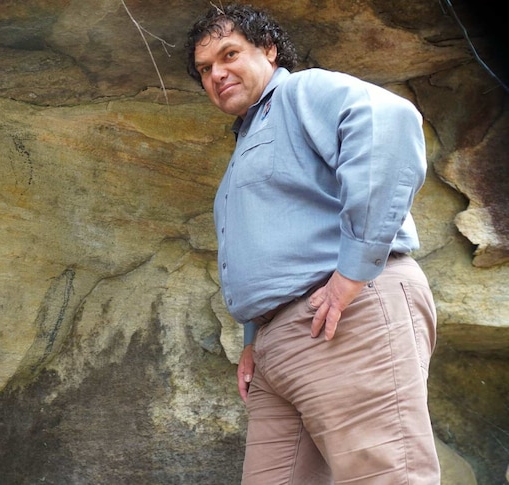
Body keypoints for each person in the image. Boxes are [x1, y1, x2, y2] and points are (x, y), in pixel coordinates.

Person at [186, 5, 440, 484]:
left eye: (229, 54)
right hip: (280, 344)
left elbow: (388, 119)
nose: (217, 74)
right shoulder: (248, 140)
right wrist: (255, 339)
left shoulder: (302, 92)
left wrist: (352, 274)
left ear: (268, 49)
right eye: (205, 69)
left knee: (383, 475)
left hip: (344, 315)